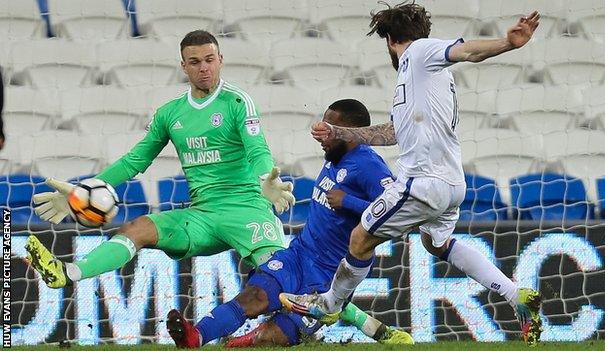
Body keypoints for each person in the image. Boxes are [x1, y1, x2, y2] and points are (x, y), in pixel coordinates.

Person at [280, 2, 544, 347]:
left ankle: (329, 305)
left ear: (391, 40)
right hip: (451, 186)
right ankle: (515, 296)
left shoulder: (418, 52)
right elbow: (393, 133)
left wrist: (508, 43)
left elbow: (465, 51)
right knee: (436, 244)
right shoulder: (425, 79)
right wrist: (341, 132)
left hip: (423, 184)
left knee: (360, 239)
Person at [25, 30, 295, 289]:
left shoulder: (237, 102)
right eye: (195, 62)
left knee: (280, 282)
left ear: (220, 61)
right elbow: (134, 161)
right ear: (184, 66)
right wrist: (82, 193)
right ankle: (67, 273)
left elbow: (257, 149)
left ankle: (326, 305)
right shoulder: (170, 113)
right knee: (137, 228)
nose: (204, 68)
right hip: (202, 217)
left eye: (210, 60)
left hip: (246, 209)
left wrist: (265, 179)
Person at [165, 99, 413, 348]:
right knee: (255, 296)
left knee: (275, 336)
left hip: (328, 276)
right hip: (299, 254)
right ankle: (194, 337)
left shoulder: (369, 166)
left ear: (350, 134)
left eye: (330, 129)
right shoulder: (335, 155)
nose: (322, 135)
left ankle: (240, 343)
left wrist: (348, 202)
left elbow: (398, 212)